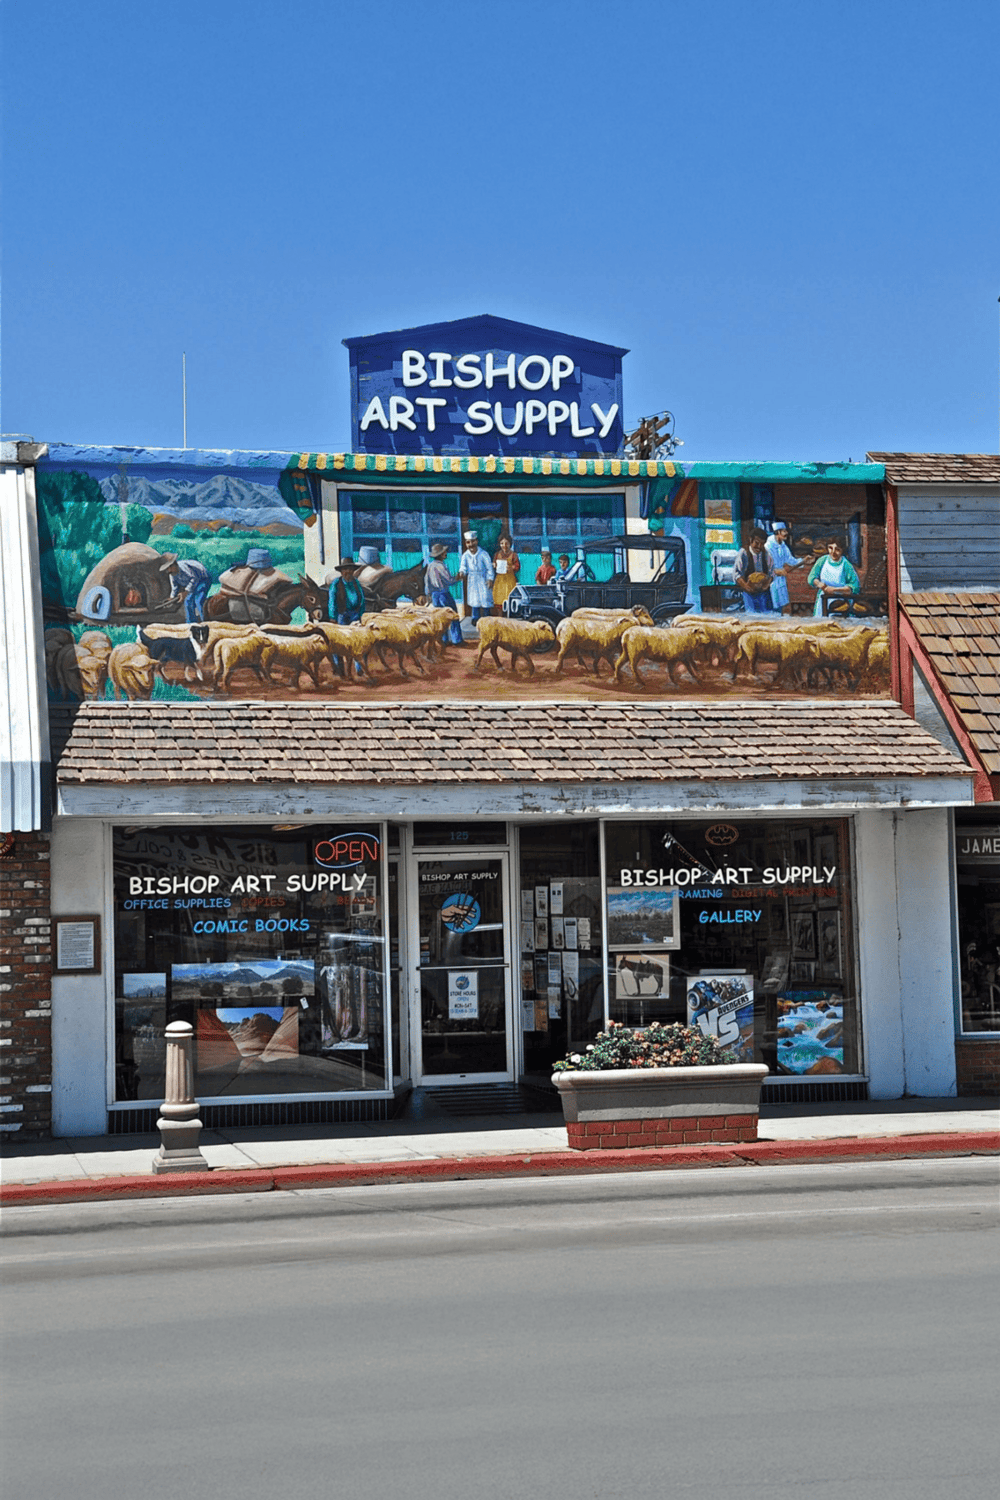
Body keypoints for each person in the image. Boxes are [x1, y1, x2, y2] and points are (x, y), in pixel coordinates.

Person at [328, 557, 366, 675]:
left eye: (350, 569)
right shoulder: (336, 583)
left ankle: (359, 669)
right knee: (339, 643)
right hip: (342, 615)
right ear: (341, 571)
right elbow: (332, 601)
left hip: (355, 615)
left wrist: (361, 615)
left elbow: (362, 599)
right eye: (345, 569)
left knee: (357, 641)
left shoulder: (356, 582)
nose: (348, 572)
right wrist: (332, 617)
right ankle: (338, 668)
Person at [424, 542, 463, 646]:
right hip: (444, 594)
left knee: (441, 618)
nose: (446, 553)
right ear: (440, 554)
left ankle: (444, 639)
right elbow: (449, 580)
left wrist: (428, 594)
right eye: (444, 552)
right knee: (453, 616)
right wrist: (458, 578)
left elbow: (427, 583)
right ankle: (457, 640)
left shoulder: (430, 566)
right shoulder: (441, 566)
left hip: (435, 595)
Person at [807, 539, 860, 616]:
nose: (833, 552)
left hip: (841, 601)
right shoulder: (822, 560)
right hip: (823, 599)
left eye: (837, 549)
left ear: (842, 550)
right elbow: (811, 577)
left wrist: (834, 590)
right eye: (830, 548)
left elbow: (855, 587)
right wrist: (819, 584)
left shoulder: (846, 564)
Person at [765, 521, 804, 614]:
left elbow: (790, 559)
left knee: (780, 605)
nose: (786, 533)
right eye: (784, 531)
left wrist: (803, 561)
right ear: (778, 532)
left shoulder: (783, 545)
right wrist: (775, 571)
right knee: (771, 605)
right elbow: (764, 565)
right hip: (770, 579)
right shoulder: (768, 546)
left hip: (780, 578)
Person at [733, 529, 775, 613]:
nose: (759, 546)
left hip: (764, 593)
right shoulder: (743, 553)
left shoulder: (766, 554)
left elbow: (772, 573)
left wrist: (766, 584)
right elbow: (737, 574)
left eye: (762, 544)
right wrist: (746, 586)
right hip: (749, 593)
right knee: (751, 615)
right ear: (750, 540)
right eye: (757, 543)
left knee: (767, 615)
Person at [160, 554, 211, 622]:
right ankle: (191, 623)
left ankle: (204, 621)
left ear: (174, 565)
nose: (168, 571)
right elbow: (175, 586)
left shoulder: (183, 567)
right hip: (193, 583)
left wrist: (186, 592)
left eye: (169, 568)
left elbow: (194, 578)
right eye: (167, 569)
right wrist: (171, 597)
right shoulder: (172, 574)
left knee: (198, 600)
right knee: (187, 601)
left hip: (203, 578)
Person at [458, 530, 494, 623]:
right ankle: (475, 618)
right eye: (468, 542)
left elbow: (489, 568)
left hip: (483, 579)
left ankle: (486, 618)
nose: (471, 544)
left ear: (476, 541)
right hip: (472, 579)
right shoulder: (465, 555)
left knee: (485, 599)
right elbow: (463, 566)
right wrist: (461, 572)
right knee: (474, 599)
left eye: (473, 541)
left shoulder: (483, 554)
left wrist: (490, 579)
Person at [491, 534, 520, 612]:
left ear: (510, 544)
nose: (504, 545)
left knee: (509, 597)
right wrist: (494, 565)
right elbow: (494, 563)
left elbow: (517, 566)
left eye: (506, 543)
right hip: (500, 579)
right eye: (502, 543)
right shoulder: (497, 554)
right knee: (499, 599)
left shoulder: (513, 555)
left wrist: (511, 568)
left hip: (510, 579)